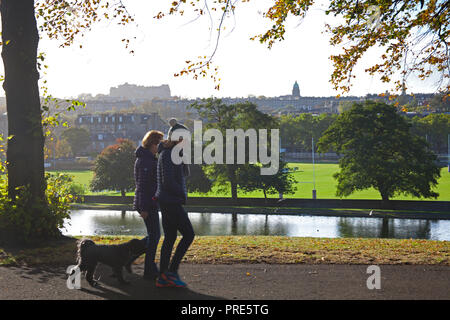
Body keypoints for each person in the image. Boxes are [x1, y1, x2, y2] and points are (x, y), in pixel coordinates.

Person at [154, 126, 195, 288]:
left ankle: (164, 275)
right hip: (170, 201)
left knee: (170, 237)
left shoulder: (171, 153)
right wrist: (181, 194)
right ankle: (171, 271)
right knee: (189, 234)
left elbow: (184, 173)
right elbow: (168, 181)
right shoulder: (168, 154)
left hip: (168, 200)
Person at [132, 130, 164, 280]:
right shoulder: (146, 160)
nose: (160, 147)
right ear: (153, 143)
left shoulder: (148, 158)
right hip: (147, 204)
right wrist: (143, 207)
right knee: (154, 235)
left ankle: (129, 254)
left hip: (149, 202)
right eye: (159, 143)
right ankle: (149, 270)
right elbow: (143, 186)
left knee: (153, 235)